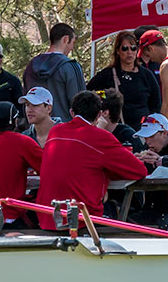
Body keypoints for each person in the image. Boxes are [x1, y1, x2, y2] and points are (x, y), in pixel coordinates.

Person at [35, 90, 147, 229]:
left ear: (71, 112)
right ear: (99, 115)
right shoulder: (101, 137)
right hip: (82, 220)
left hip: (47, 216)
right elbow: (139, 170)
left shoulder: (55, 131)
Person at [87, 31, 161, 127]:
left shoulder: (146, 75)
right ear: (118, 51)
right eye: (125, 48)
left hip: (142, 132)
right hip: (115, 130)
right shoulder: (107, 74)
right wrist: (106, 100)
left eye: (133, 48)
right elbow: (90, 93)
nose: (129, 52)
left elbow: (156, 105)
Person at [24, 23, 87, 123]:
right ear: (66, 39)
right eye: (73, 42)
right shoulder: (70, 66)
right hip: (64, 131)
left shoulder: (31, 66)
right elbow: (82, 105)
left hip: (36, 132)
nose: (72, 48)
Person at [137, 29, 168, 126]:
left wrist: (164, 130)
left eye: (148, 55)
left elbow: (167, 104)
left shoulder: (166, 66)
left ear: (151, 48)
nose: (151, 59)